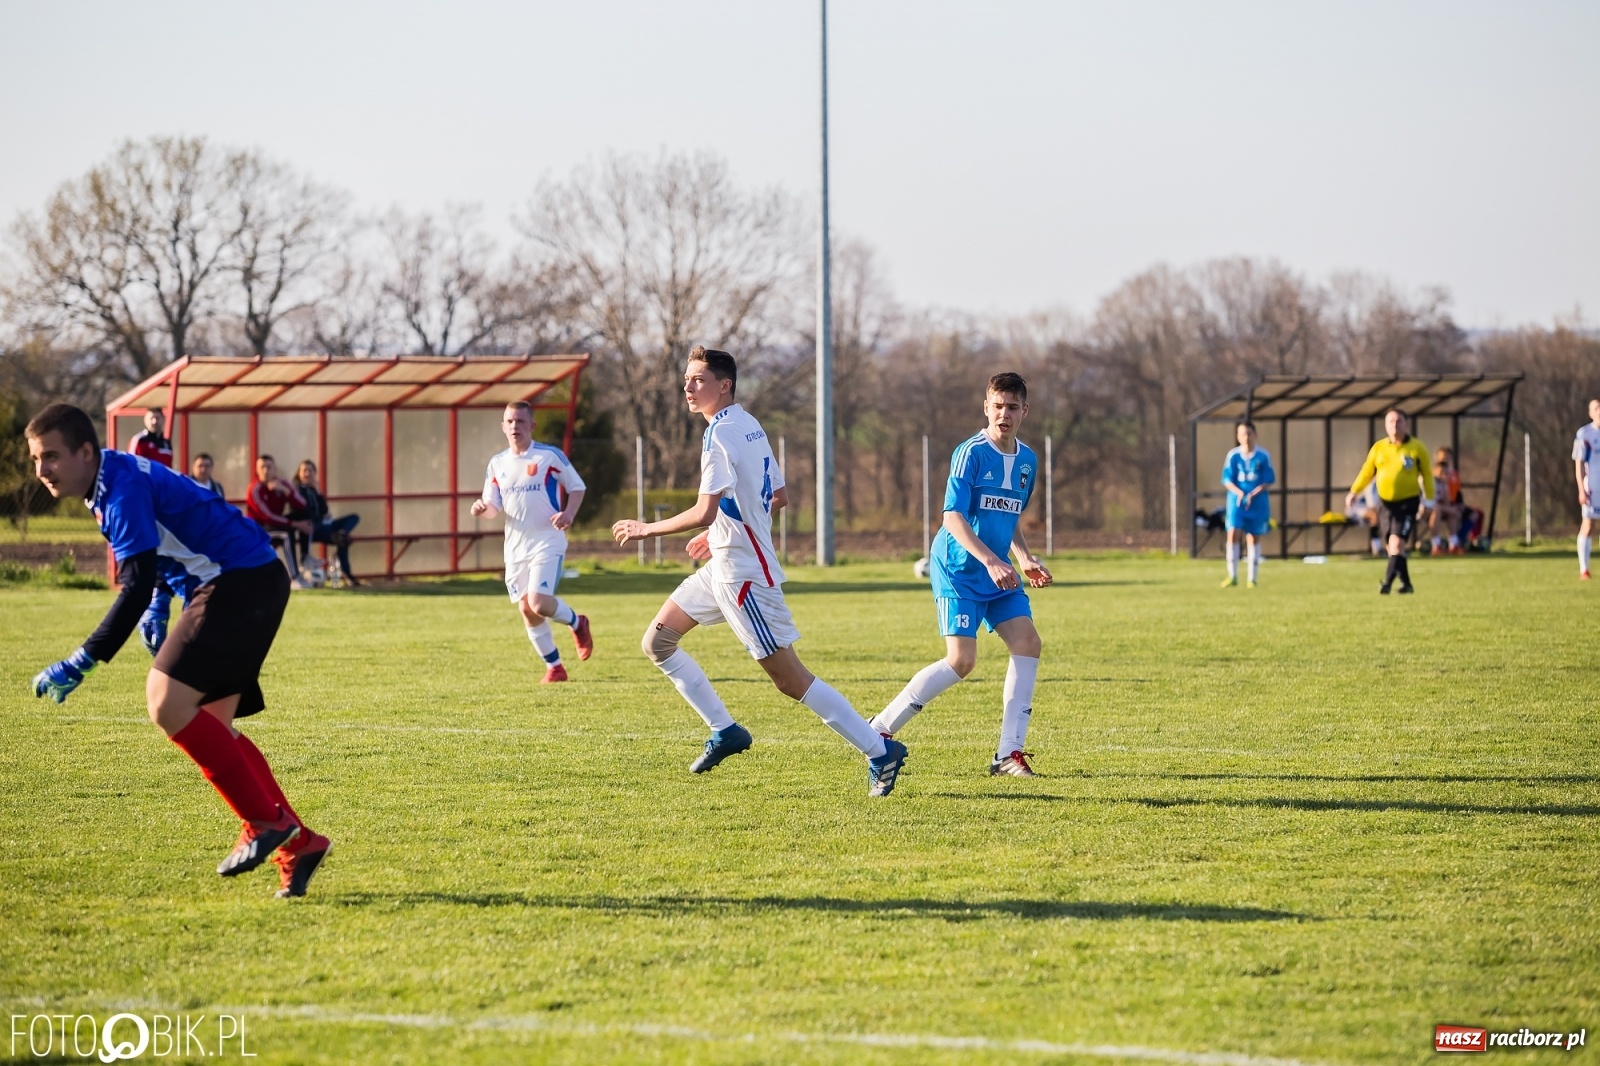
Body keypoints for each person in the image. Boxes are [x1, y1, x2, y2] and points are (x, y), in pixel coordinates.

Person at [26, 403, 330, 898]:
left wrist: (83, 659)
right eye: (36, 459)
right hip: (243, 579)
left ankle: (262, 822)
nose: (42, 471)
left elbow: (135, 581)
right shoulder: (109, 478)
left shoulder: (117, 487)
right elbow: (166, 548)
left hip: (238, 581)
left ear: (85, 452)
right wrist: (158, 609)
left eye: (52, 457)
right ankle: (298, 844)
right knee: (215, 724)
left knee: (164, 701)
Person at [611, 346, 909, 796]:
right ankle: (725, 731)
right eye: (686, 380)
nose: (688, 388)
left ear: (723, 385)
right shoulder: (748, 425)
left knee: (791, 680)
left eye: (698, 380)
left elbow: (704, 511)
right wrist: (724, 535)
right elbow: (778, 496)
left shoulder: (720, 436)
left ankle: (879, 750)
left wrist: (645, 528)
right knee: (658, 640)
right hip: (725, 565)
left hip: (743, 577)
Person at [869, 372, 1052, 777]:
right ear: (986, 407)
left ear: (1026, 410)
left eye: (1012, 407)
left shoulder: (1028, 460)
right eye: (997, 406)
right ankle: (879, 731)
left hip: (999, 571)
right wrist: (991, 560)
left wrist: (1023, 558)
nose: (1004, 414)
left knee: (1028, 642)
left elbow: (1010, 517)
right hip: (959, 568)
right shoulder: (970, 453)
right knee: (961, 660)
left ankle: (1009, 754)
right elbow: (952, 516)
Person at [470, 402, 593, 682]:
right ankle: (555, 667)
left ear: (532, 426)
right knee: (526, 609)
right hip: (515, 547)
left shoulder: (548, 456)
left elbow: (577, 486)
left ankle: (577, 623)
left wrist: (569, 514)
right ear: (503, 427)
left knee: (538, 602)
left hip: (547, 541)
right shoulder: (497, 463)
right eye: (510, 421)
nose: (515, 426)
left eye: (520, 421)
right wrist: (481, 509)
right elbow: (493, 507)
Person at [1347, 408, 1434, 594]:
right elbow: (1366, 471)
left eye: (1398, 421)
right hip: (1385, 504)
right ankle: (1407, 585)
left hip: (1408, 502)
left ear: (1406, 423)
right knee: (1393, 547)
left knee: (1396, 544)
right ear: (1386, 425)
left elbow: (1427, 475)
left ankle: (1386, 583)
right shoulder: (1379, 448)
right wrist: (1354, 491)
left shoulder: (1416, 448)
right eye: (1391, 421)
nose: (1395, 425)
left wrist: (1429, 501)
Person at [128, 409, 178, 654]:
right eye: (152, 417)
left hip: (164, 498)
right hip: (146, 499)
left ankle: (160, 601)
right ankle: (153, 606)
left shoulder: (166, 442)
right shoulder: (140, 441)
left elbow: (167, 470)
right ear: (145, 420)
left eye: (159, 417)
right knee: (152, 547)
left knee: (169, 547)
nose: (155, 421)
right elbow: (134, 469)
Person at [1220, 420, 1275, 588]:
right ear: (1238, 436)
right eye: (1242, 434)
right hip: (1236, 502)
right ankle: (1232, 575)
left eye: (1249, 433)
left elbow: (1268, 479)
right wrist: (1240, 493)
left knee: (1253, 537)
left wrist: (1253, 494)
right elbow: (1227, 479)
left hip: (1257, 502)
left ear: (1255, 435)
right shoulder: (1233, 456)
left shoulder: (1263, 456)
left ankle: (1252, 578)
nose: (1246, 437)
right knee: (1233, 534)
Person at [292, 460, 360, 587]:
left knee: (353, 518)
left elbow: (324, 510)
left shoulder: (313, 489)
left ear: (314, 473)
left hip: (324, 525)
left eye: (310, 471)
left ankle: (342, 533)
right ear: (299, 473)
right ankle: (348, 574)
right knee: (342, 540)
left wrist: (318, 491)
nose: (307, 474)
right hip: (312, 528)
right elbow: (303, 510)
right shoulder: (296, 489)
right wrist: (320, 516)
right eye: (304, 471)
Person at [246, 455, 312, 583]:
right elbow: (268, 517)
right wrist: (296, 524)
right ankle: (294, 577)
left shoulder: (283, 483)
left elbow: (303, 505)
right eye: (262, 467)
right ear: (257, 470)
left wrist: (285, 491)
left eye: (269, 467)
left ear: (274, 469)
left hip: (277, 524)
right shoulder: (255, 489)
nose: (265, 471)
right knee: (286, 534)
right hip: (260, 529)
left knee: (305, 516)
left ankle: (305, 558)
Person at [1574, 397, 1600, 581]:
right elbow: (1578, 464)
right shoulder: (1584, 434)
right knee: (1588, 525)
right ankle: (1584, 569)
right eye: (1596, 408)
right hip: (1592, 488)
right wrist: (1581, 490)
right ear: (1590, 413)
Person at [1429, 448, 1465, 556]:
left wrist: (1455, 506)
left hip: (1442, 508)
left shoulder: (1448, 479)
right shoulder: (1429, 478)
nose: (1445, 459)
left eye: (1447, 456)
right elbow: (1429, 500)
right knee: (1439, 510)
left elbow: (1450, 498)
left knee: (1452, 514)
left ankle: (1454, 545)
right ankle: (1436, 545)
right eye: (1443, 456)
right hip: (1426, 508)